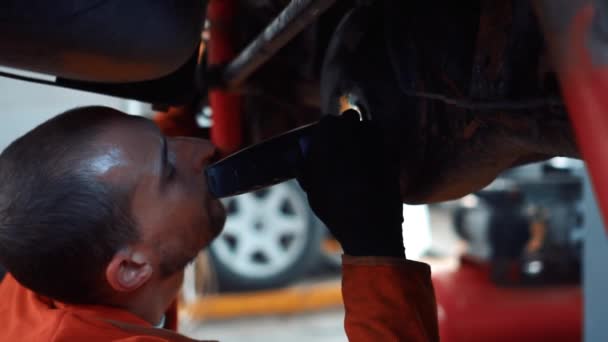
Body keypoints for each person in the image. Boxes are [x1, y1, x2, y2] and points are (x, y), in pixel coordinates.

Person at [0, 106, 438, 341]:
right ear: (131, 269)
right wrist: (374, 248)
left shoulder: (45, 269)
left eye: (170, 141)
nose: (202, 149)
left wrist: (187, 104)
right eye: (170, 168)